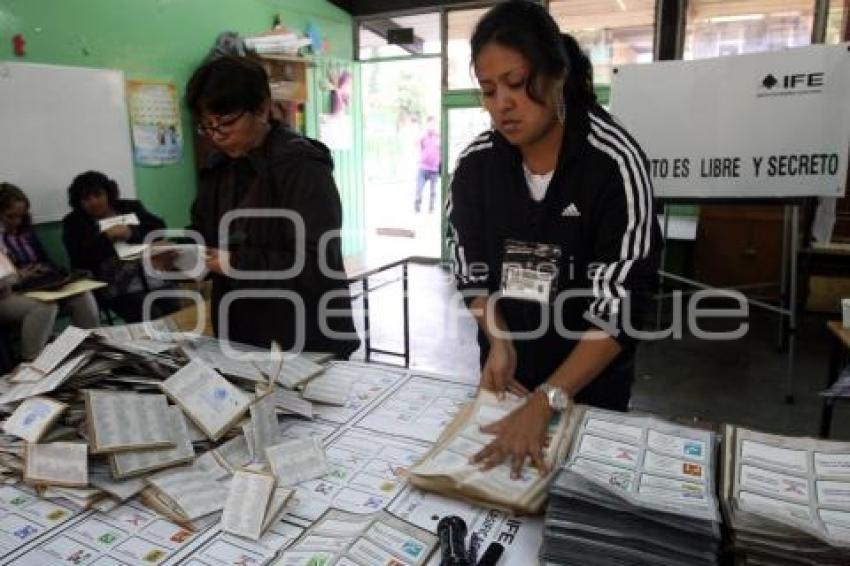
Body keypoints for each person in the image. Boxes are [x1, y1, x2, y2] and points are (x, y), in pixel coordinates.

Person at [446, 1, 662, 478]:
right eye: (488, 90)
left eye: (517, 84)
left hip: (589, 391)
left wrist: (549, 398)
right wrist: (498, 341)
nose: (502, 103)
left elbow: (619, 305)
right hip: (509, 385)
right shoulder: (477, 166)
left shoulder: (612, 164)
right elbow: (470, 270)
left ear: (557, 73)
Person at [185, 55, 359, 358]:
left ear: (263, 108)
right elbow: (202, 232)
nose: (216, 136)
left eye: (226, 122)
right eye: (206, 126)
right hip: (242, 335)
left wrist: (235, 263)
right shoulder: (218, 169)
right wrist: (181, 252)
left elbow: (317, 264)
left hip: (304, 337)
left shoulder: (301, 166)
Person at [61, 171, 182, 323]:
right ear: (79, 202)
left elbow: (158, 229)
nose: (93, 202)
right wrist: (106, 238)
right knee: (149, 314)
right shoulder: (74, 222)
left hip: (150, 273)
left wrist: (131, 233)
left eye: (98, 195)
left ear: (108, 193)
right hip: (115, 285)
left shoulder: (129, 206)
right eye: (86, 199)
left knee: (174, 309)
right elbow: (79, 258)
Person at [0, 182, 99, 360]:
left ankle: (91, 349)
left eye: (21, 216)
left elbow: (47, 261)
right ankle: (33, 361)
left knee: (82, 295)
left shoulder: (26, 232)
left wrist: (47, 271)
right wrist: (19, 274)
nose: (17, 222)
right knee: (45, 307)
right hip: (11, 292)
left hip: (38, 285)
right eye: (10, 217)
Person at [415, 116, 440, 213]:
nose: (432, 126)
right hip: (423, 168)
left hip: (434, 169)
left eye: (433, 124)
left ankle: (431, 209)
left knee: (433, 192)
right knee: (419, 189)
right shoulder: (423, 136)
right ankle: (417, 205)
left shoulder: (439, 137)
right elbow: (416, 145)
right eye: (430, 124)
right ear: (427, 125)